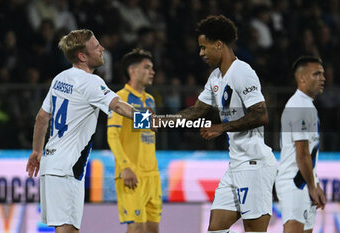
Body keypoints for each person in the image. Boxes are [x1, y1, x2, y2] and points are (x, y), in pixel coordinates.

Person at [163, 15, 277, 233]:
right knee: (216, 227)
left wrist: (221, 127)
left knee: (253, 229)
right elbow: (197, 111)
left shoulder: (241, 71)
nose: (201, 53)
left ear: (218, 45)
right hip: (235, 165)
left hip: (254, 164)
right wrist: (161, 121)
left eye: (204, 48)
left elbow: (261, 115)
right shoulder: (216, 77)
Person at [26, 29, 136, 233]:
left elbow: (42, 118)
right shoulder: (91, 82)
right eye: (96, 46)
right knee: (67, 229)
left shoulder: (60, 78)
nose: (102, 48)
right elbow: (119, 106)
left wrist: (36, 151)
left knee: (68, 229)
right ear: (82, 56)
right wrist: (149, 120)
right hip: (67, 168)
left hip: (52, 163)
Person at [107, 48, 161, 233]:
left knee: (153, 230)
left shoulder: (151, 100)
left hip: (152, 175)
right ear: (132, 70)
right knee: (136, 228)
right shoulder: (120, 98)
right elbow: (112, 135)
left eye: (152, 68)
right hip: (132, 174)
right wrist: (125, 167)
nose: (152, 72)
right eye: (147, 67)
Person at [276, 56, 326, 233]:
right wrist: (312, 186)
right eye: (317, 74)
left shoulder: (307, 105)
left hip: (304, 182)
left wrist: (315, 182)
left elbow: (309, 153)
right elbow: (302, 153)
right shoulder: (299, 106)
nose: (323, 78)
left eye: (323, 74)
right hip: (294, 184)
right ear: (302, 78)